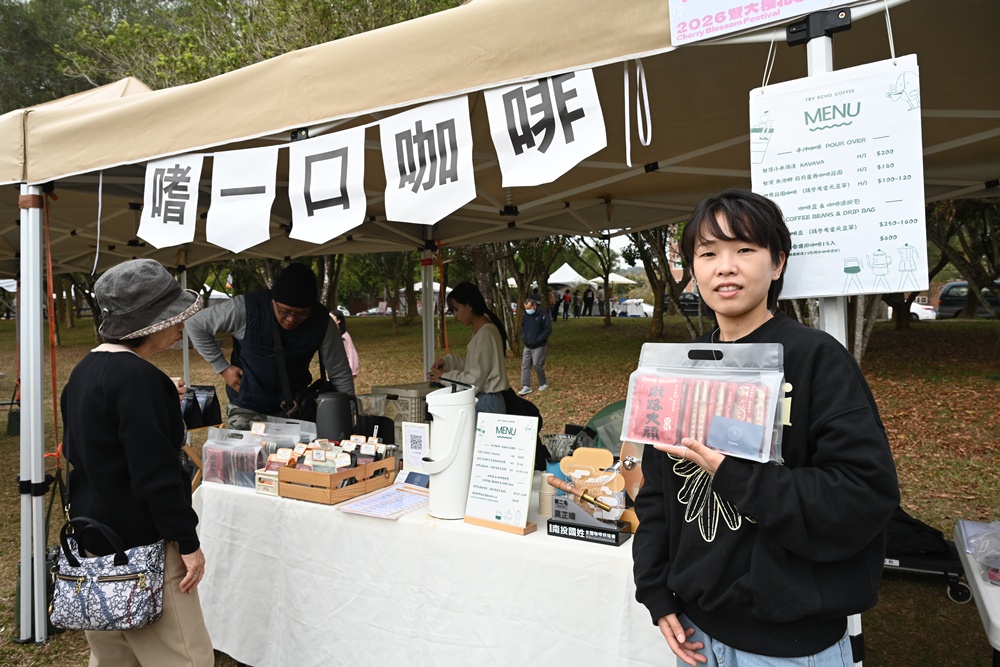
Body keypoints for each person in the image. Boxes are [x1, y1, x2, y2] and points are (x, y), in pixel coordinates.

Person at [632, 189, 900, 667]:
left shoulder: (816, 359)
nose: (725, 266)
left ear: (777, 263)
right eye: (708, 253)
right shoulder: (681, 369)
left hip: (790, 647)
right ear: (693, 270)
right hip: (697, 635)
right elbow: (658, 493)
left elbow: (864, 493)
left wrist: (735, 473)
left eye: (745, 250)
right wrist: (654, 589)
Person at [61, 259, 213, 666]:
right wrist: (189, 542)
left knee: (114, 659)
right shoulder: (140, 379)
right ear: (153, 323)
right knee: (187, 659)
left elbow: (85, 451)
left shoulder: (84, 373)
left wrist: (163, 405)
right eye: (174, 316)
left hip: (95, 541)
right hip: (142, 549)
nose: (180, 325)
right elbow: (156, 476)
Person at [186, 263, 355, 430]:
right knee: (245, 456)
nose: (291, 319)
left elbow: (339, 371)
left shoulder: (322, 321)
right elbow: (195, 324)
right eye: (284, 311)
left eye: (301, 314)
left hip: (294, 408)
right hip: (247, 406)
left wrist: (349, 413)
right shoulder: (244, 309)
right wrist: (222, 368)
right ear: (273, 300)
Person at [427, 281, 510, 415]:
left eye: (457, 309)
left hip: (487, 403)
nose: (455, 315)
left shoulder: (486, 333)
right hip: (485, 401)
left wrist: (444, 377)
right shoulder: (482, 331)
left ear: (469, 305)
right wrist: (448, 361)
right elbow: (475, 365)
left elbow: (474, 380)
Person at [517, 297, 552, 395]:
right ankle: (526, 385)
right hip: (527, 345)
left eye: (529, 308)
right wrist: (524, 337)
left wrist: (539, 339)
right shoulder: (525, 314)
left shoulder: (543, 314)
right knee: (525, 365)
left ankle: (543, 383)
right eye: (526, 308)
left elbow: (548, 329)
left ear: (534, 306)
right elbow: (523, 327)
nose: (528, 311)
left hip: (539, 345)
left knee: (537, 364)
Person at [331, 311, 359, 378]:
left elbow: (350, 352)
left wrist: (351, 370)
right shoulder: (334, 334)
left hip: (344, 372)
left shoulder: (344, 336)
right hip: (335, 370)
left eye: (331, 318)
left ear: (338, 320)